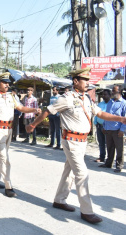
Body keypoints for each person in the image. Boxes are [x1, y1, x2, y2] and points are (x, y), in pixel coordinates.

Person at [26, 67, 126, 224]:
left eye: (88, 80)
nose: (87, 83)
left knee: (70, 171)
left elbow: (100, 113)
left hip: (83, 142)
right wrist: (32, 125)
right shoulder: (66, 98)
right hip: (71, 141)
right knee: (82, 173)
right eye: (84, 80)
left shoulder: (86, 99)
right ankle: (87, 211)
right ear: (75, 81)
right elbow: (48, 111)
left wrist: (120, 119)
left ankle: (59, 200)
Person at [99, 85, 126, 173]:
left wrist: (122, 130)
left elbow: (125, 118)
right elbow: (107, 115)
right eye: (112, 91)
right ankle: (108, 163)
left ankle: (119, 165)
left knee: (119, 149)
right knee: (109, 147)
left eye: (114, 91)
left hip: (117, 130)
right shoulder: (110, 102)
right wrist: (104, 126)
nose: (112, 92)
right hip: (108, 129)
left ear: (119, 92)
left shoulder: (123, 103)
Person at [93, 89, 111, 162]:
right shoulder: (100, 104)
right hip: (99, 126)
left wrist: (106, 126)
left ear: (110, 95)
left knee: (109, 144)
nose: (103, 96)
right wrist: (95, 122)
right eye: (103, 94)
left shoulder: (111, 104)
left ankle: (109, 159)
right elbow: (96, 114)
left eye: (105, 94)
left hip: (107, 127)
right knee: (101, 143)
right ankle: (102, 157)